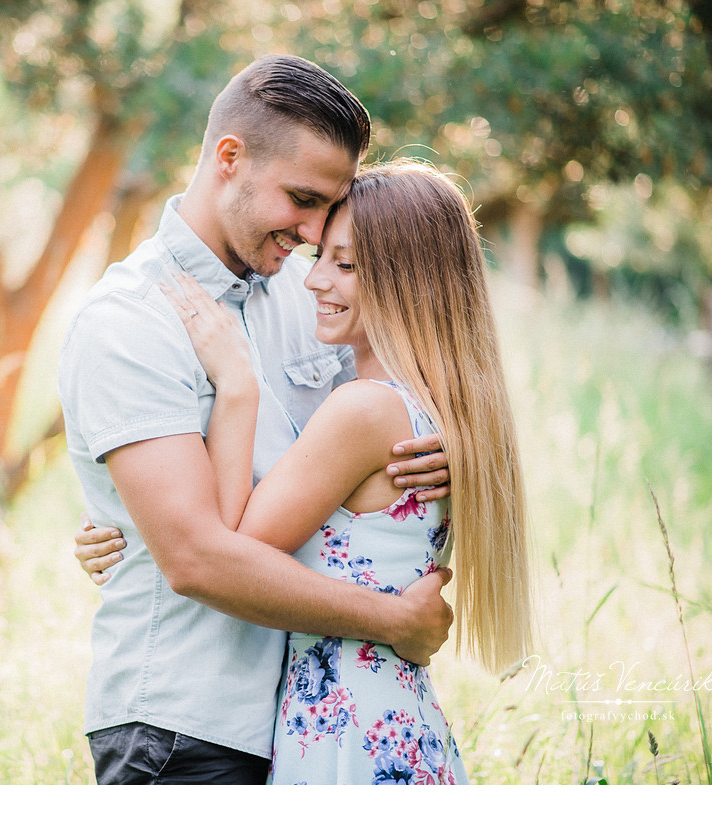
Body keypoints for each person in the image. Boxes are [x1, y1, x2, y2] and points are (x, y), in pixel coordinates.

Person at [57, 55, 454, 785]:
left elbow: (387, 417)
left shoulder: (310, 301)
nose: (311, 233)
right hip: (181, 728)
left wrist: (447, 451)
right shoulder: (129, 323)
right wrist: (392, 619)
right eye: (301, 198)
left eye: (327, 208)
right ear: (230, 158)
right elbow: (196, 558)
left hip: (308, 725)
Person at [158, 159, 534, 783]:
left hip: (348, 727)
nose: (314, 282)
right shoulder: (437, 413)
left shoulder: (364, 409)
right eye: (320, 257)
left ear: (409, 283)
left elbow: (233, 553)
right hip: (394, 718)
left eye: (346, 263)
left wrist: (237, 386)